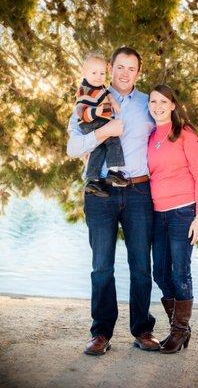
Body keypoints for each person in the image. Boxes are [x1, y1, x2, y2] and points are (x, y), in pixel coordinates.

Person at [67, 47, 160, 355]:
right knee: (102, 266)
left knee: (140, 266)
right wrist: (104, 131)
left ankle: (142, 330)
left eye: (131, 68)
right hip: (100, 193)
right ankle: (101, 333)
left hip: (138, 192)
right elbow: (72, 146)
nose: (125, 73)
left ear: (138, 72)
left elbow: (168, 138)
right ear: (110, 67)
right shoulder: (91, 97)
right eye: (120, 67)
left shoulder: (149, 104)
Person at [147, 84, 198, 354]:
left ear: (172, 105)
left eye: (163, 102)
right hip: (157, 214)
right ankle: (180, 328)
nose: (158, 106)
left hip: (184, 212)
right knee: (160, 271)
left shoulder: (186, 134)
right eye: (153, 102)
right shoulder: (150, 136)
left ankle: (179, 331)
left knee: (180, 272)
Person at [75, 52, 128, 198]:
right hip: (90, 122)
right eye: (94, 73)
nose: (98, 76)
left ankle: (92, 180)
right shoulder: (84, 90)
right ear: (84, 73)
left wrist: (113, 101)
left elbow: (107, 93)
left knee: (99, 149)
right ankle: (114, 171)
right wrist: (96, 111)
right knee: (113, 139)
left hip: (97, 122)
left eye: (102, 73)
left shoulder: (99, 87)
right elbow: (81, 111)